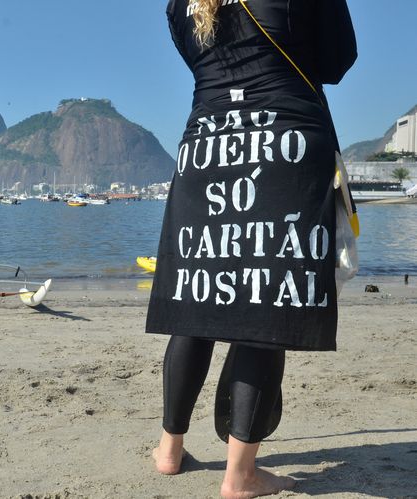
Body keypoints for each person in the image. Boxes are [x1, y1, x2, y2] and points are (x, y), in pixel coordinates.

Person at [145, 0, 356, 497]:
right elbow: (337, 62)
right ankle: (240, 474)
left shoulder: (181, 3)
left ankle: (169, 450)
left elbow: (201, 59)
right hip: (284, 145)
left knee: (198, 299)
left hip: (206, 147)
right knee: (265, 304)